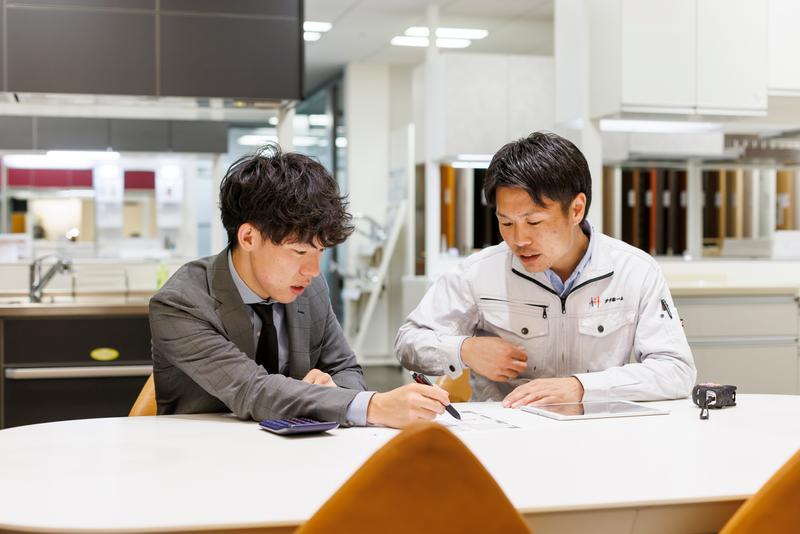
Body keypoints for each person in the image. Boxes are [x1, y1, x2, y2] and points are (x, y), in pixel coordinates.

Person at [150, 146, 450, 428]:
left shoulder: (311, 287)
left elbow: (347, 370)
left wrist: (332, 388)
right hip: (204, 453)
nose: (313, 270)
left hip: (299, 452)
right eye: (300, 251)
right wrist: (373, 406)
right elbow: (252, 390)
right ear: (249, 238)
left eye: (321, 250)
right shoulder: (181, 303)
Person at [395, 132, 696, 407]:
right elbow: (408, 341)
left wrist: (581, 387)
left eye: (534, 222)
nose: (519, 240)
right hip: (507, 430)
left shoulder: (636, 272)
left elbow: (676, 370)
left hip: (597, 431)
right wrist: (465, 350)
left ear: (576, 209)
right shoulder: (479, 273)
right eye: (506, 223)